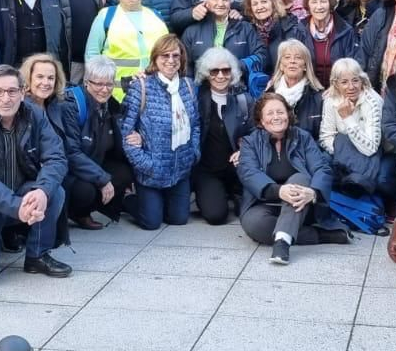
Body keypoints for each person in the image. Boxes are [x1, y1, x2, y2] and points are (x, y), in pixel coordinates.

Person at [0, 65, 73, 286]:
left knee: (54, 192)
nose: (5, 98)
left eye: (11, 91)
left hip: (20, 194)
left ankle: (37, 255)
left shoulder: (35, 114)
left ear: (22, 91)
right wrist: (16, 206)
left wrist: (42, 191)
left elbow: (56, 157)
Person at [236, 92, 340, 264]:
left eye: (280, 112)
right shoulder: (250, 142)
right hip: (263, 203)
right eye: (270, 114)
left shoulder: (303, 137)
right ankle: (319, 235)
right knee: (255, 226)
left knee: (299, 179)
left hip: (300, 204)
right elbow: (248, 173)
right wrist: (279, 191)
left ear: (288, 115)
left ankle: (282, 243)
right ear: (261, 120)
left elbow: (322, 168)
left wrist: (313, 193)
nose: (276, 117)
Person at [22, 53, 114, 240]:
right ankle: (18, 231)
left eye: (50, 78)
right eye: (39, 77)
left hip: (53, 169)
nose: (45, 82)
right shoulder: (21, 108)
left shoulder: (55, 106)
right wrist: (101, 178)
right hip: (28, 175)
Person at [121, 36, 201, 230]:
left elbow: (196, 124)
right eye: (165, 55)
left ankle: (162, 201)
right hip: (151, 171)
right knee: (151, 223)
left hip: (180, 169)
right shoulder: (141, 87)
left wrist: (193, 154)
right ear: (155, 58)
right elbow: (126, 134)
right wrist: (148, 164)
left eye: (176, 55)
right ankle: (125, 199)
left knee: (179, 219)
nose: (171, 60)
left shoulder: (188, 86)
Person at [67, 57, 136, 225]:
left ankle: (91, 209)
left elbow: (118, 143)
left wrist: (136, 137)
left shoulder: (111, 105)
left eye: (109, 84)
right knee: (85, 191)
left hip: (95, 162)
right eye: (98, 84)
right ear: (86, 82)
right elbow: (71, 152)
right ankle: (76, 212)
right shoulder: (72, 106)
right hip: (71, 170)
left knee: (124, 173)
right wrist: (102, 179)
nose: (104, 90)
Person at [85, 0, 173, 96]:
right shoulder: (106, 16)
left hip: (155, 88)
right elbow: (92, 54)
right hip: (117, 91)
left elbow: (167, 50)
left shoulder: (155, 15)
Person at [319, 58, 395, 205]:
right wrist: (346, 154)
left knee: (382, 179)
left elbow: (371, 147)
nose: (351, 87)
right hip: (343, 152)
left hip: (374, 152)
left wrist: (347, 118)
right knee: (324, 162)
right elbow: (325, 137)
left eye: (355, 80)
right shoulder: (330, 100)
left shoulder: (373, 101)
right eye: (344, 82)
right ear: (336, 84)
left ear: (362, 81)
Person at [191, 48, 253, 225]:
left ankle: (233, 191)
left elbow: (257, 132)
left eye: (225, 70)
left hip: (237, 168)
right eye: (214, 71)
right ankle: (215, 192)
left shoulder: (244, 100)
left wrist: (244, 149)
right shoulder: (197, 99)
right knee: (216, 216)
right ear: (206, 74)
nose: (220, 76)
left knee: (247, 211)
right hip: (207, 169)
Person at [181, 0, 266, 81]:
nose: (220, 4)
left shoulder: (245, 28)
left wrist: (238, 65)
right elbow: (185, 64)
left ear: (231, 2)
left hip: (238, 86)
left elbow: (261, 56)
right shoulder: (192, 31)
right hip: (203, 89)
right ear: (206, 2)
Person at [293, 0, 358, 86]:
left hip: (339, 88)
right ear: (308, 6)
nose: (319, 7)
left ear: (330, 4)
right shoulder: (300, 30)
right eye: (314, 2)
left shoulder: (345, 30)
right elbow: (296, 64)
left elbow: (351, 66)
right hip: (308, 87)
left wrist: (337, 88)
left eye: (323, 1)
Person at [241, 0, 301, 88]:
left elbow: (295, 59)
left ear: (273, 3)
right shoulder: (248, 29)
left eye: (264, 2)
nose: (260, 7)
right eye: (255, 4)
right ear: (250, 9)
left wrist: (277, 79)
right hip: (255, 84)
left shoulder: (288, 25)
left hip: (284, 83)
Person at [265, 39, 325, 136]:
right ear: (281, 65)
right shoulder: (268, 95)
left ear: (305, 66)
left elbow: (323, 136)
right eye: (287, 57)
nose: (292, 61)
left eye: (298, 58)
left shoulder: (319, 98)